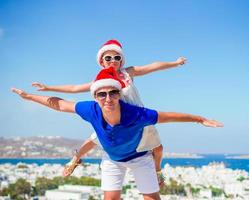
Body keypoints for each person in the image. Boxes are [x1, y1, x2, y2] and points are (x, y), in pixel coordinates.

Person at [12, 67, 223, 200]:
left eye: (113, 92)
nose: (107, 98)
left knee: (151, 197)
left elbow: (168, 116)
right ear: (95, 97)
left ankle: (157, 172)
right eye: (101, 94)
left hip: (139, 158)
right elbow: (60, 105)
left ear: (119, 94)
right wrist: (29, 97)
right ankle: (76, 159)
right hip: (112, 159)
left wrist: (199, 119)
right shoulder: (90, 109)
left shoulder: (137, 114)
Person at [31, 39, 187, 184]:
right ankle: (75, 159)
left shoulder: (128, 73)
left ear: (121, 60)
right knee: (91, 141)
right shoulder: (100, 81)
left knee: (158, 148)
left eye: (117, 57)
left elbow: (153, 66)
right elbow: (74, 88)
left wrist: (175, 63)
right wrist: (49, 87)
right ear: (101, 61)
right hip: (112, 118)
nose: (113, 60)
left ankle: (157, 169)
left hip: (137, 117)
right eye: (108, 58)